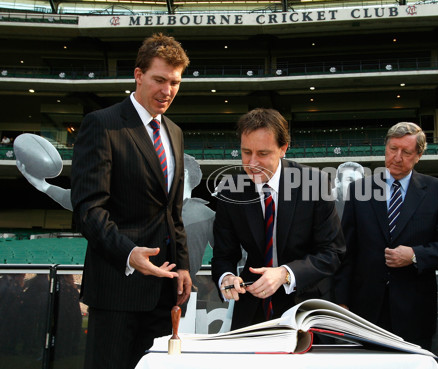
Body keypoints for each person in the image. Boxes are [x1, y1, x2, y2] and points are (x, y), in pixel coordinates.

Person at [70, 33, 192, 369]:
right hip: (116, 290)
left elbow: (174, 212)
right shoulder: (102, 124)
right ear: (138, 75)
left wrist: (182, 265)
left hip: (163, 292)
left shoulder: (176, 132)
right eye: (159, 80)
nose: (167, 91)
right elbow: (88, 209)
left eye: (175, 82)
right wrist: (128, 253)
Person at [211, 108, 345, 330]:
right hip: (252, 308)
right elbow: (224, 255)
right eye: (246, 152)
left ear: (283, 148)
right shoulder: (230, 190)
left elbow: (332, 253)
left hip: (305, 308)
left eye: (262, 154)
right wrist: (226, 278)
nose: (252, 162)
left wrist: (285, 273)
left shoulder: (315, 183)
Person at [334, 122, 438, 350]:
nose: (397, 157)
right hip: (365, 312)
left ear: (419, 155)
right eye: (393, 149)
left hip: (414, 312)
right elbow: (346, 250)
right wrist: (341, 301)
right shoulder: (359, 190)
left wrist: (415, 255)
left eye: (406, 152)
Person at [182, 153, 215, 286]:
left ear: (184, 173)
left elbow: (227, 254)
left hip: (186, 289)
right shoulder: (156, 210)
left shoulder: (206, 215)